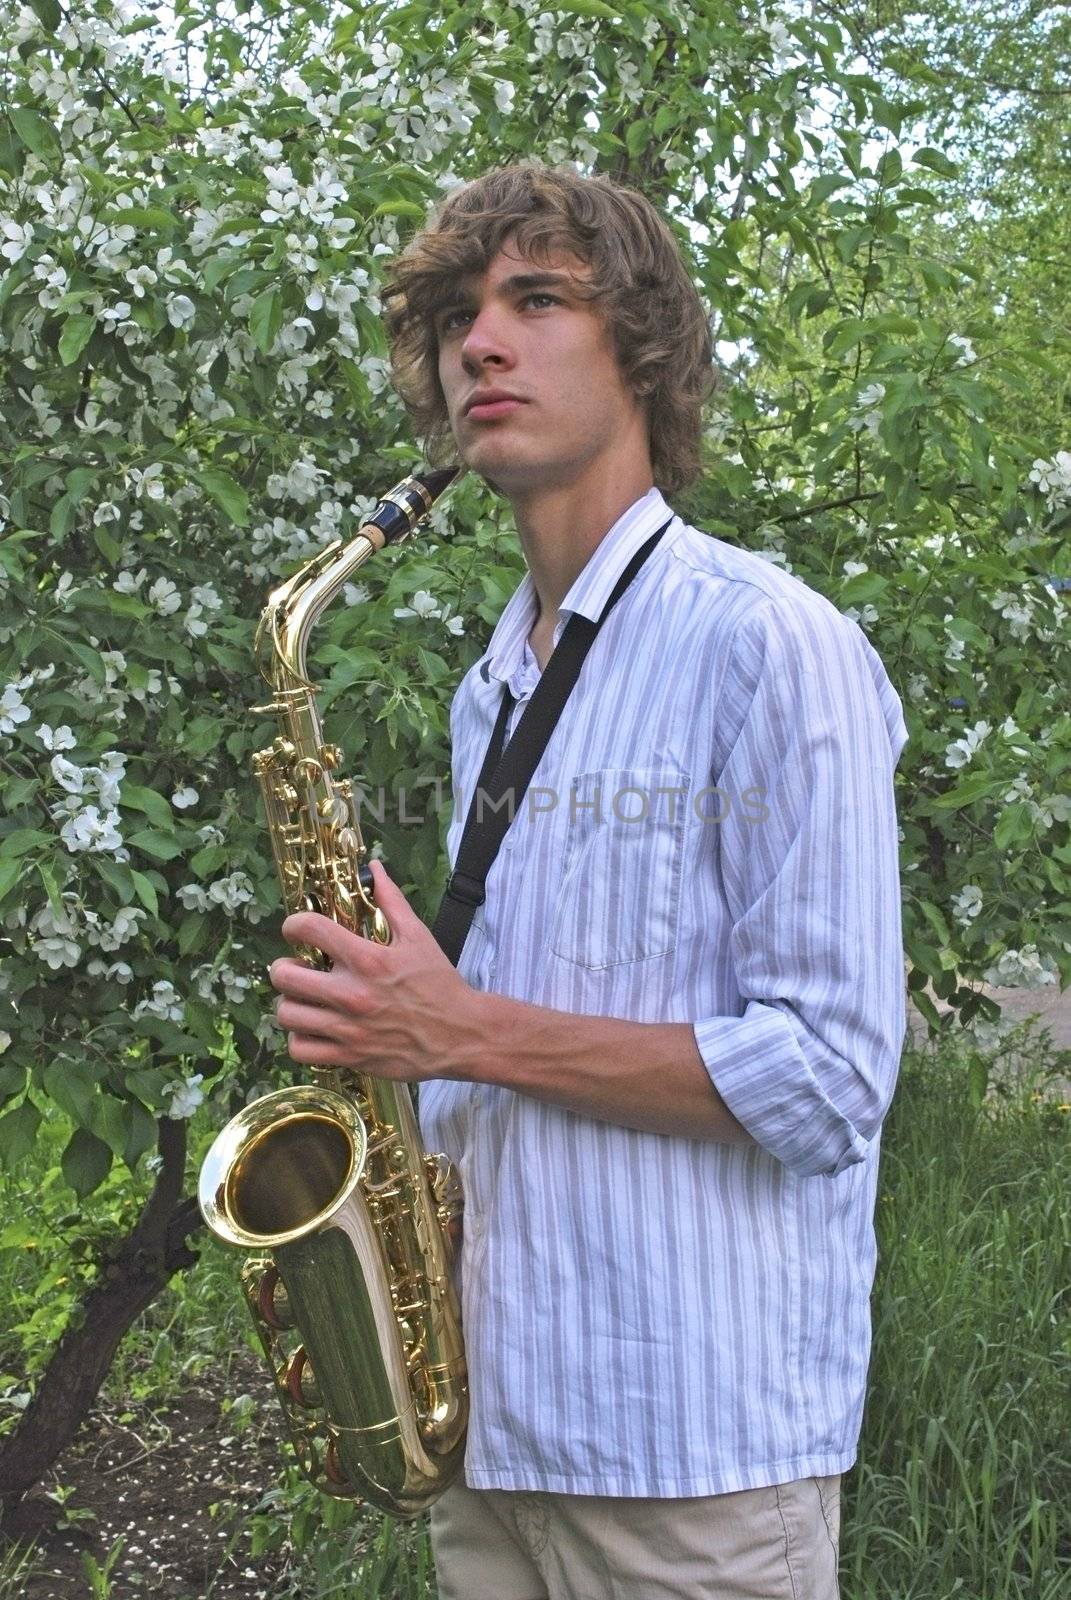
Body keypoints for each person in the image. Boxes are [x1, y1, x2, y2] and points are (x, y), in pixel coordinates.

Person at [269, 165, 908, 1600]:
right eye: (457, 316)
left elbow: (828, 1077)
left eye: (536, 299)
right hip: (497, 1441)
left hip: (696, 1469)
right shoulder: (486, 690)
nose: (479, 343)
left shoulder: (769, 646)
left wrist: (456, 1032)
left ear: (644, 350)